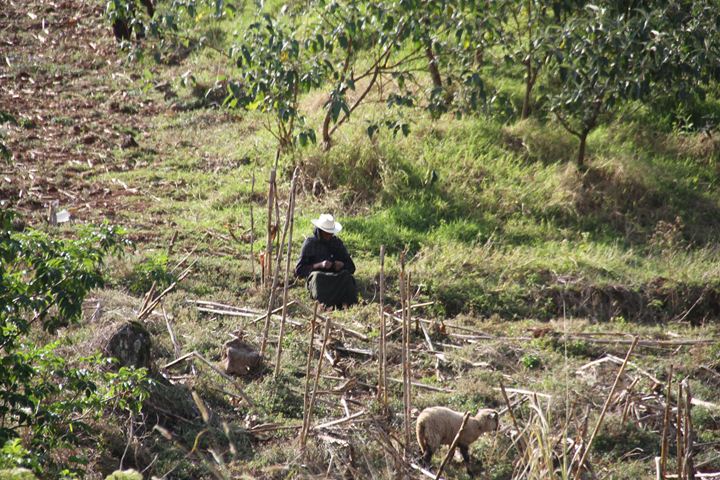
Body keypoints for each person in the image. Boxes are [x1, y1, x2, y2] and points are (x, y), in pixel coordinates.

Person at [295, 213, 358, 309]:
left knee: (347, 277)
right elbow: (299, 270)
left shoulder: (336, 243)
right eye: (326, 233)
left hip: (336, 277)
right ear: (320, 231)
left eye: (330, 233)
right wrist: (319, 265)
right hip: (319, 277)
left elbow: (351, 267)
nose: (329, 236)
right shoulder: (310, 243)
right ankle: (324, 304)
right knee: (317, 277)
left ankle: (346, 303)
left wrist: (342, 265)